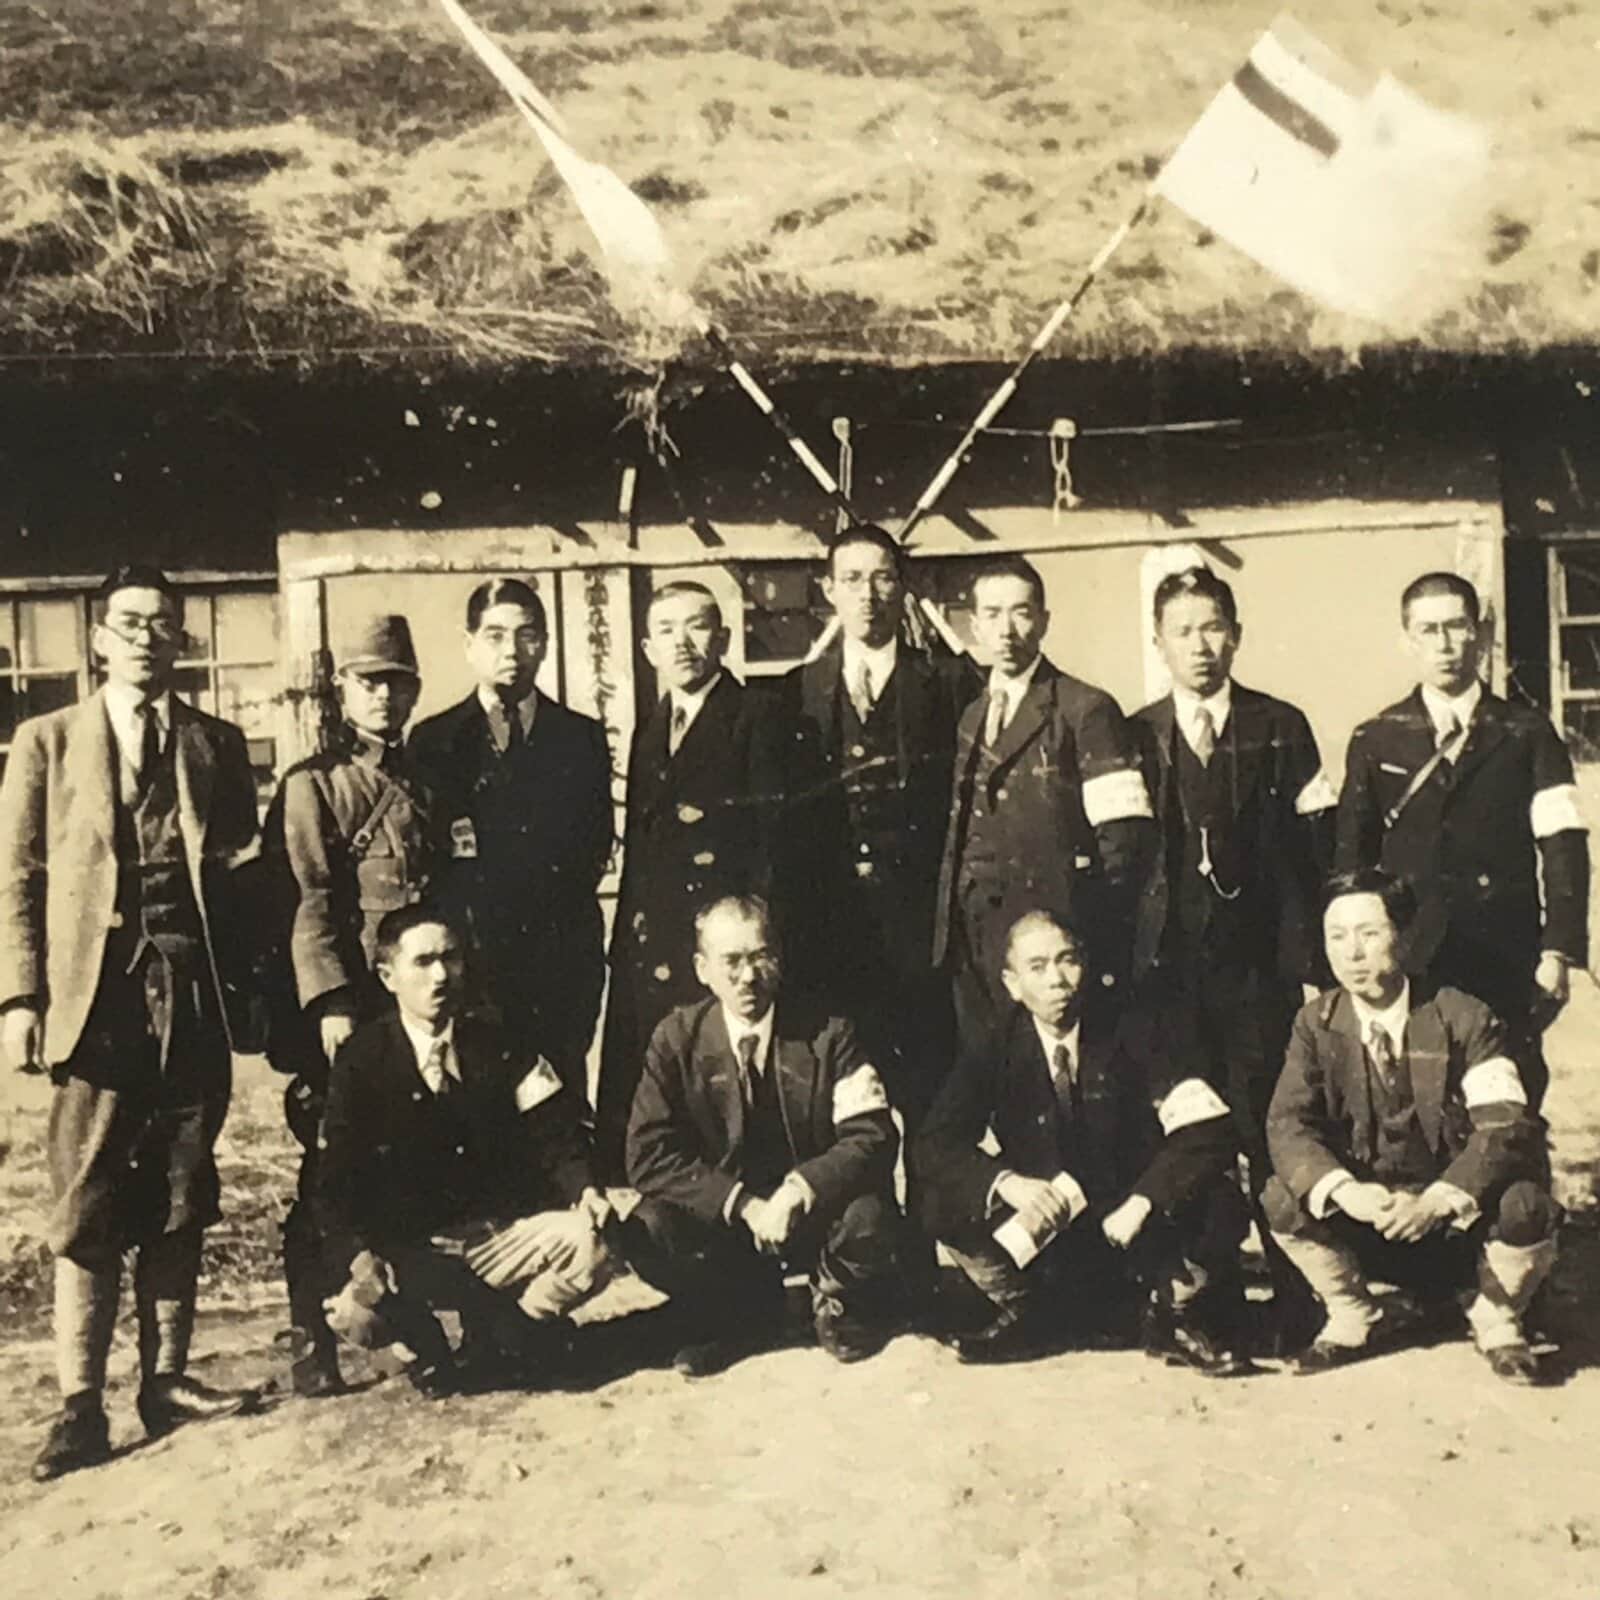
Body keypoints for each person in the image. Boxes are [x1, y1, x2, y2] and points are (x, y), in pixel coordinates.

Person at [0, 565, 262, 1481]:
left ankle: (167, 1380)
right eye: (129, 622)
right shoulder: (47, 740)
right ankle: (79, 1404)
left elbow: (237, 876)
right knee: (88, 1195)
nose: (146, 637)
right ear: (99, 640)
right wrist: (20, 999)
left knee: (184, 1188)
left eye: (163, 624)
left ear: (181, 642)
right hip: (94, 1000)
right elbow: (18, 878)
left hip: (191, 995)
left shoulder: (214, 744)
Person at [1130, 565, 1335, 1344]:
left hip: (1261, 975)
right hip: (1169, 976)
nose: (1200, 645)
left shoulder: (1281, 724)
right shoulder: (1136, 730)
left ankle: (1295, 1295)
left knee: (1267, 1128)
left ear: (1237, 634)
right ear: (1159, 643)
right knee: (1186, 1133)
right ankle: (1197, 1301)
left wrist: (1310, 965)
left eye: (1213, 626)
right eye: (1183, 630)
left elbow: (1317, 853)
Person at [914, 909, 1253, 1373]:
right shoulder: (997, 1044)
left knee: (1220, 1199)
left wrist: (1145, 1200)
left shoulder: (1134, 1028)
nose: (1057, 979)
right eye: (1037, 967)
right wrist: (1006, 1182)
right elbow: (934, 1143)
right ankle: (1027, 1308)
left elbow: (1206, 1128)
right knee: (942, 1200)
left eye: (1067, 960)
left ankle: (1175, 1315)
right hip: (1050, 1214)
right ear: (1012, 984)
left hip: (1129, 1214)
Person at [1264, 869, 1558, 1383]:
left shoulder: (1465, 1017)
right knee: (1281, 1195)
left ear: (1403, 935)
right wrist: (1347, 1192)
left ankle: (1496, 1317)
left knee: (1526, 1205)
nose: (1351, 953)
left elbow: (1505, 1124)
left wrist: (1439, 1200)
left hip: (1456, 1223)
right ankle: (1355, 1313)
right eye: (1337, 936)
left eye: (1369, 934)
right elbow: (1288, 1123)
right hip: (1372, 1219)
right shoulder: (1315, 1023)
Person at [316, 907, 616, 1396]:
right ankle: (418, 1345)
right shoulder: (362, 1061)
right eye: (423, 961)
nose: (440, 975)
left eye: (450, 959)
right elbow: (334, 1181)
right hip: (411, 1252)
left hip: (494, 1240)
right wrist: (360, 1255)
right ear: (388, 976)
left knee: (591, 1242)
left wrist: (583, 1189)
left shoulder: (499, 1041)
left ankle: (515, 1333)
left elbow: (553, 1131)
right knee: (355, 1313)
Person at [263, 612, 439, 1397]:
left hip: (408, 1001)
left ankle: (396, 1321)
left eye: (397, 683)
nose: (384, 697)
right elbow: (307, 899)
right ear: (344, 691)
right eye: (370, 682)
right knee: (330, 1169)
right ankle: (312, 1336)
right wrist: (331, 1000)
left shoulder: (425, 776)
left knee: (404, 1159)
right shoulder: (315, 784)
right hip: (349, 1009)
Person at [1336, 571, 1588, 1108]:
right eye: (1428, 630)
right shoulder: (1376, 737)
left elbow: (1563, 847)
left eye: (1457, 627)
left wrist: (1558, 951)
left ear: (1481, 634)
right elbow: (1350, 863)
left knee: (1510, 1103)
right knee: (1416, 1105)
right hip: (1411, 958)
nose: (1445, 645)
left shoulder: (1528, 732)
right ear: (1407, 639)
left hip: (1506, 956)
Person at [623, 895, 900, 1377]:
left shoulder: (829, 1034)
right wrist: (743, 1204)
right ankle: (732, 1314)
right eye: (731, 961)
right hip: (730, 1226)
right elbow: (647, 1154)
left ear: (780, 958)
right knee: (648, 1228)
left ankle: (834, 1302)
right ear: (702, 968)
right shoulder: (676, 1038)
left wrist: (798, 1190)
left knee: (869, 1216)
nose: (748, 976)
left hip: (812, 1220)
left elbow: (872, 1135)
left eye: (760, 957)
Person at [780, 523, 975, 1164]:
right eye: (853, 579)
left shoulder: (950, 684)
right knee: (839, 1102)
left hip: (923, 935)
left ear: (905, 587)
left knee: (928, 1097)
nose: (869, 594)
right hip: (829, 935)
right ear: (828, 590)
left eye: (884, 577)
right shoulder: (794, 695)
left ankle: (923, 1241)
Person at [595, 582, 786, 1175]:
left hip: (718, 955)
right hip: (653, 949)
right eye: (668, 630)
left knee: (719, 1105)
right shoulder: (651, 730)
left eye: (698, 626)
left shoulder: (757, 719)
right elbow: (644, 858)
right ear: (649, 647)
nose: (684, 643)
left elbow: (772, 852)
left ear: (723, 639)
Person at [934, 554, 1154, 1051]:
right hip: (976, 940)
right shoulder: (971, 715)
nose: (1006, 630)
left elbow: (1123, 843)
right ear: (973, 626)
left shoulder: (1084, 708)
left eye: (1021, 612)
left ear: (1045, 620)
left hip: (1051, 938)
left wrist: (1086, 937)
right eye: (991, 614)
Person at [410, 578, 612, 1095]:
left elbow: (592, 849)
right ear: (470, 643)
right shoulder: (436, 740)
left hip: (560, 963)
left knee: (559, 1112)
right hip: (474, 966)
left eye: (526, 636)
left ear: (544, 643)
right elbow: (433, 858)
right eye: (495, 636)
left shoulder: (580, 736)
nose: (512, 652)